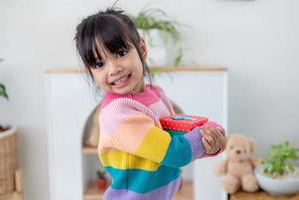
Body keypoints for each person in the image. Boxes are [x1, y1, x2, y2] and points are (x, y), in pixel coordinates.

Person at [74, 7, 227, 200]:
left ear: (142, 49)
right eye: (99, 64)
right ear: (91, 73)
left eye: (120, 53)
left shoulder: (156, 94)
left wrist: (212, 138)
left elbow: (177, 133)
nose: (113, 69)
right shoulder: (118, 113)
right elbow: (174, 153)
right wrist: (208, 135)